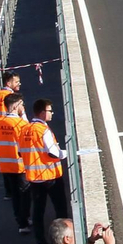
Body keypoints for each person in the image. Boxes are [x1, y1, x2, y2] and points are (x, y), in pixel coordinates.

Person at [22, 98, 70, 235]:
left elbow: (21, 151)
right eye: (50, 111)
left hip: (34, 178)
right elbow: (53, 152)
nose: (52, 113)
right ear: (42, 113)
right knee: (60, 209)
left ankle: (40, 241)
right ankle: (63, 238)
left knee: (38, 210)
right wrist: (68, 153)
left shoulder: (24, 129)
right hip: (50, 176)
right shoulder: (44, 130)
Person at [0, 92, 32, 234]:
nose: (23, 107)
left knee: (15, 194)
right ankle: (24, 220)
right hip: (20, 164)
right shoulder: (21, 124)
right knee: (25, 194)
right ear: (16, 106)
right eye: (22, 104)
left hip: (5, 164)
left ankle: (20, 220)